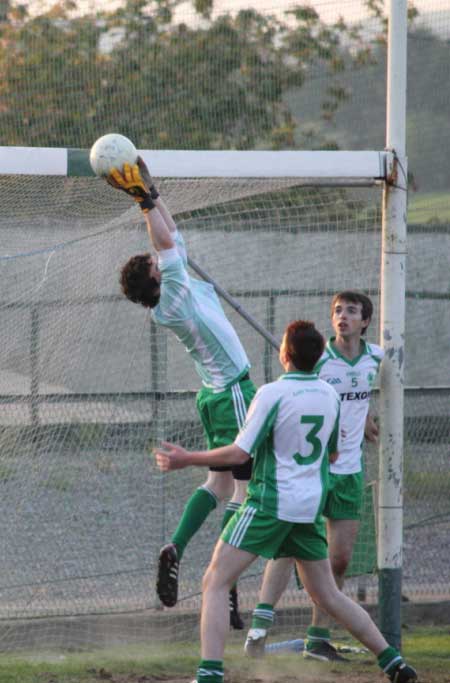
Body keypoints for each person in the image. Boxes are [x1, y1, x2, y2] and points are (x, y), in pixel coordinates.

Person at [154, 320, 417, 683]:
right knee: (329, 595)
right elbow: (336, 453)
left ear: (284, 355)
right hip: (308, 508)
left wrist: (188, 458)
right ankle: (393, 662)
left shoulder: (271, 394)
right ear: (317, 358)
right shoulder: (328, 395)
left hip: (270, 504)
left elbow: (238, 453)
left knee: (215, 581)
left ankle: (209, 675)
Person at [107, 159, 257, 627]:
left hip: (212, 394)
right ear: (155, 279)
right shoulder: (171, 299)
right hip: (233, 390)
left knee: (218, 483)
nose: (160, 258)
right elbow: (166, 241)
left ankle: (175, 545)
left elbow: (171, 234)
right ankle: (228, 579)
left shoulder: (176, 289)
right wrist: (141, 201)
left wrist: (150, 191)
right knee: (246, 489)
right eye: (154, 263)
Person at [245, 290, 385, 661]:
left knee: (338, 560)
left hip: (350, 471)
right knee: (289, 548)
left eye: (351, 311)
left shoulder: (375, 357)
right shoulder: (319, 359)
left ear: (365, 321)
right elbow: (294, 395)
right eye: (337, 311)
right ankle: (259, 629)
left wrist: (367, 415)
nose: (342, 317)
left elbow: (363, 393)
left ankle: (317, 638)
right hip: (314, 472)